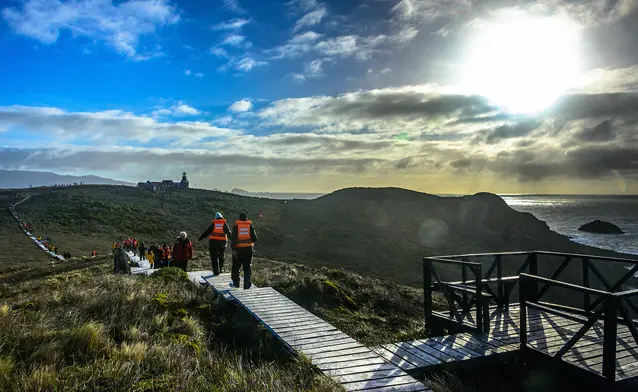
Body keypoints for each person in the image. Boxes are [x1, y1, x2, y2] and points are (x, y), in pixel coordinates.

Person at [230, 212, 258, 289]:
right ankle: (247, 285)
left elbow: (233, 240)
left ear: (239, 218)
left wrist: (233, 249)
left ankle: (236, 284)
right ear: (246, 218)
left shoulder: (236, 227)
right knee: (247, 268)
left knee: (236, 267)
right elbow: (255, 238)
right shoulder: (250, 226)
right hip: (248, 250)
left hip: (238, 250)